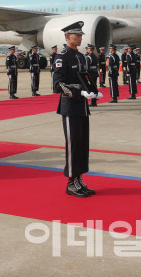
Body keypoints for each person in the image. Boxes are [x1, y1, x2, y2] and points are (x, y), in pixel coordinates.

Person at [52, 21, 100, 198]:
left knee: (82, 144)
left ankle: (79, 179)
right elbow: (58, 84)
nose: (79, 38)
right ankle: (71, 182)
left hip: (82, 106)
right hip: (69, 105)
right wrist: (79, 92)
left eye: (81, 35)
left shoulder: (80, 57)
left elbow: (85, 79)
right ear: (67, 37)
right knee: (72, 145)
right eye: (76, 35)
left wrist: (93, 91)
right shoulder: (62, 57)